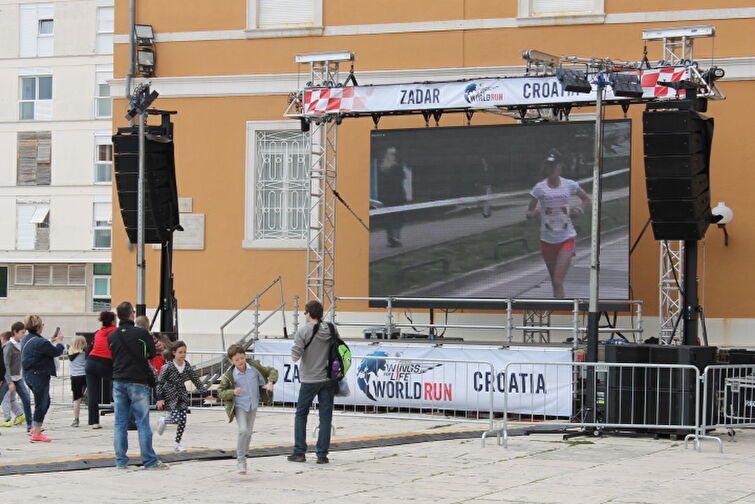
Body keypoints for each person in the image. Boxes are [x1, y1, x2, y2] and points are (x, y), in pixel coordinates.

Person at [108, 301, 166, 470]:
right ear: (132, 314)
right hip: (138, 381)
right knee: (142, 422)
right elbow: (151, 353)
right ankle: (149, 460)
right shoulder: (142, 333)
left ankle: (120, 461)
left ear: (119, 316)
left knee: (120, 422)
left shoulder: (112, 336)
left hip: (119, 381)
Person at [526, 152, 591, 298]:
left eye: (554, 167)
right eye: (549, 167)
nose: (551, 170)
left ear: (560, 167)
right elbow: (530, 210)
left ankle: (563, 309)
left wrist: (579, 210)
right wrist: (533, 214)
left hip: (566, 238)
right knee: (555, 282)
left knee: (557, 280)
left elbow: (586, 199)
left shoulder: (569, 184)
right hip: (547, 239)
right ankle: (559, 308)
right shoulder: (539, 188)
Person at [287, 300, 338, 464]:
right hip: (328, 377)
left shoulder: (303, 331)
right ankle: (322, 454)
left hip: (309, 378)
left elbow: (295, 356)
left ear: (308, 313)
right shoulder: (331, 328)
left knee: (301, 414)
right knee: (325, 416)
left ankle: (299, 452)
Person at [217, 343, 277, 474]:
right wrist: (233, 392)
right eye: (236, 360)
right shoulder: (230, 375)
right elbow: (220, 391)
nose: (240, 362)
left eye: (242, 358)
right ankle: (240, 460)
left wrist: (270, 382)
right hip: (240, 406)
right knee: (243, 430)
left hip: (253, 404)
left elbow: (272, 371)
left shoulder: (254, 367)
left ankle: (245, 452)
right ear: (231, 361)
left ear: (245, 356)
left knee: (249, 432)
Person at [156, 340, 213, 452]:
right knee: (177, 418)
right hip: (170, 394)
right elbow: (160, 382)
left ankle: (177, 443)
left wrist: (205, 393)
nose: (183, 355)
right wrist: (160, 398)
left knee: (183, 420)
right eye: (180, 352)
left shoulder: (186, 366)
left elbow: (195, 379)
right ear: (174, 353)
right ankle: (164, 420)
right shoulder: (167, 367)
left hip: (182, 393)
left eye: (184, 352)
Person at [21, 315, 65, 442]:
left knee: (45, 401)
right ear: (38, 327)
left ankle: (35, 428)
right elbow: (56, 352)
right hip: (39, 375)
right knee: (42, 403)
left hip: (28, 375)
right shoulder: (40, 342)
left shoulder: (27, 339)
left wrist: (51, 340)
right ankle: (36, 432)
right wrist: (60, 342)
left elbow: (42, 347)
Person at [86, 311, 116, 429]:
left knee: (93, 394)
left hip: (91, 362)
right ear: (113, 321)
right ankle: (123, 417)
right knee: (120, 385)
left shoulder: (98, 332)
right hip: (106, 362)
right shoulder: (115, 331)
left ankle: (93, 422)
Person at [376, 146, 408, 248]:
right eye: (392, 154)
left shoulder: (385, 167)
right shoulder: (393, 167)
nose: (394, 156)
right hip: (392, 196)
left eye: (395, 153)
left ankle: (394, 239)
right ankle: (394, 239)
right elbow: (400, 180)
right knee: (393, 218)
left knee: (393, 218)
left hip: (391, 195)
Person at [67, 335, 88, 427]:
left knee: (76, 399)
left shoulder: (70, 353)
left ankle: (76, 419)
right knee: (89, 390)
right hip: (85, 375)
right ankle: (85, 395)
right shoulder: (85, 354)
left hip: (75, 377)